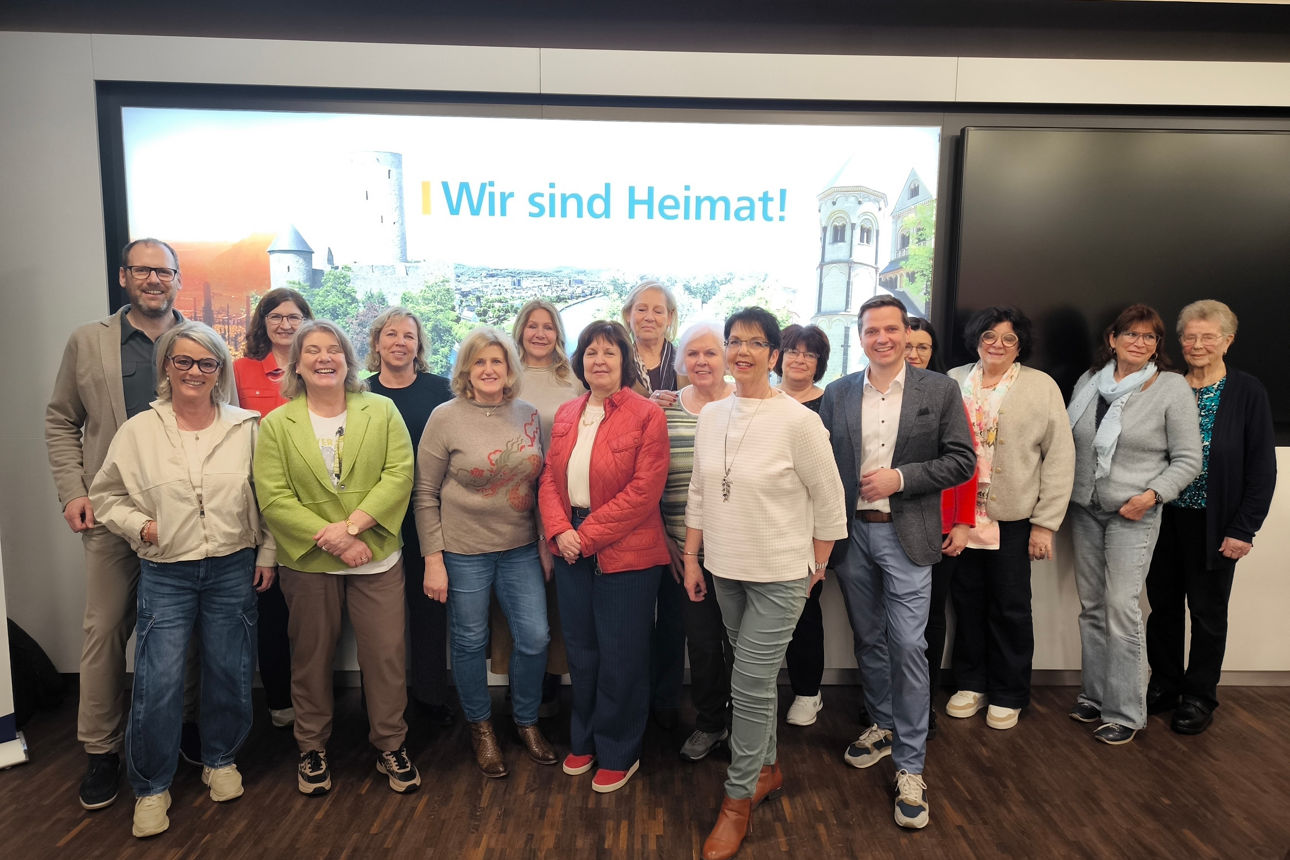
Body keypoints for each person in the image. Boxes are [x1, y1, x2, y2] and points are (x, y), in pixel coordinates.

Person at [89, 322, 276, 838]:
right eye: (183, 361)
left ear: (220, 371)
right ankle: (151, 786)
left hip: (232, 565)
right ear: (166, 367)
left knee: (229, 668)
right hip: (166, 570)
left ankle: (220, 758)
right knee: (159, 680)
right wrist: (141, 526)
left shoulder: (247, 426)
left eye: (206, 363)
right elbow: (106, 496)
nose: (194, 371)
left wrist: (269, 551)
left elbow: (268, 497)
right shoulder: (138, 431)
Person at [684, 308, 847, 860]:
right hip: (725, 565)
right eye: (734, 341)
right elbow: (702, 492)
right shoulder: (712, 415)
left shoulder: (800, 421)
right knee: (747, 675)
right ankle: (769, 768)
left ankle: (736, 801)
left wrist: (816, 568)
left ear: (774, 355)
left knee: (749, 683)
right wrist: (691, 556)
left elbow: (830, 504)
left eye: (755, 343)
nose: (742, 351)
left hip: (781, 573)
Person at [45, 238, 196, 810]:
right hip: (111, 512)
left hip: (181, 514)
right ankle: (101, 751)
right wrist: (72, 492)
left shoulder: (199, 341)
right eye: (144, 270)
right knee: (105, 629)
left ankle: (182, 732)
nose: (154, 280)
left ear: (178, 279)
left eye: (165, 271)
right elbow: (62, 420)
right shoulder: (89, 341)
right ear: (124, 276)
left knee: (186, 629)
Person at [820, 295, 975, 831]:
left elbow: (962, 460)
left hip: (908, 535)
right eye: (871, 330)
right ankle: (882, 725)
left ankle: (911, 765)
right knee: (868, 639)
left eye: (891, 330)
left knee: (909, 643)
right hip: (852, 536)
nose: (882, 338)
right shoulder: (838, 394)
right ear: (860, 335)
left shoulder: (940, 389)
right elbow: (823, 466)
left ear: (904, 335)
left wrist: (901, 478)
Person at [253, 320, 420, 795]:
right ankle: (311, 748)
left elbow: (399, 475)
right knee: (310, 657)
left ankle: (391, 744)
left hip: (378, 556)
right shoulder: (276, 424)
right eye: (313, 351)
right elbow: (274, 497)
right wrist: (336, 540)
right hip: (308, 563)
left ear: (348, 360)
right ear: (297, 364)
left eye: (334, 350)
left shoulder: (382, 410)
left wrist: (352, 528)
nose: (324, 358)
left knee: (385, 656)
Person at [414, 326, 555, 778]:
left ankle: (526, 720)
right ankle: (481, 727)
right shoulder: (445, 417)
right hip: (464, 550)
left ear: (509, 368)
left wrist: (544, 543)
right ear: (466, 370)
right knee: (471, 642)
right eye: (480, 362)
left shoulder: (530, 414)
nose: (489, 370)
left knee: (535, 638)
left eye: (497, 361)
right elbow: (424, 492)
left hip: (520, 549)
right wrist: (433, 558)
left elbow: (541, 485)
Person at [537, 320, 671, 794]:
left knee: (621, 656)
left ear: (624, 361)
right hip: (571, 543)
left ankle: (620, 750)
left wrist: (584, 534)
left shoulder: (646, 415)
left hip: (628, 552)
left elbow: (644, 490)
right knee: (583, 652)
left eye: (609, 353)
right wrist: (558, 530)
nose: (598, 360)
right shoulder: (569, 413)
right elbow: (550, 478)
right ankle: (585, 739)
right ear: (580, 361)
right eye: (590, 352)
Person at [1066, 303, 1201, 745]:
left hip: (1135, 513)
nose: (1139, 343)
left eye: (1149, 337)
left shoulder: (1172, 388)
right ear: (1113, 339)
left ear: (1157, 346)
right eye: (1131, 334)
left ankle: (1126, 710)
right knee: (1091, 606)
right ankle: (1095, 693)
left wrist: (1152, 496)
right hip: (1084, 509)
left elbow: (1188, 459)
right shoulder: (1089, 383)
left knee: (1121, 608)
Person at [1145, 300, 1276, 735]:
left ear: (1228, 341)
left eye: (1208, 336)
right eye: (1189, 336)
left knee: (1206, 612)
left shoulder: (1246, 391)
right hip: (1161, 517)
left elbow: (1261, 468)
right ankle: (1164, 684)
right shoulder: (1165, 385)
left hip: (1215, 522)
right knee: (1162, 607)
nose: (1197, 344)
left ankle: (1198, 696)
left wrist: (1244, 528)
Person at [943, 307, 1075, 731]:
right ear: (975, 339)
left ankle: (1009, 692)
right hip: (959, 516)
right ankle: (969, 683)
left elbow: (1059, 456)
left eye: (1008, 338)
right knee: (965, 603)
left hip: (1013, 516)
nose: (997, 344)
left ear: (1020, 345)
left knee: (1011, 607)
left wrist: (1045, 523)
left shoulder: (1041, 386)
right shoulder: (951, 379)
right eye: (989, 336)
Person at [486, 300, 585, 718]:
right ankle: (518, 687)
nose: (540, 333)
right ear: (520, 329)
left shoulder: (574, 379)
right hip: (512, 498)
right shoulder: (506, 376)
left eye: (548, 327)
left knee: (557, 596)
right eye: (532, 326)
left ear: (558, 333)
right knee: (518, 600)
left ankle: (549, 686)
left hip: (562, 497)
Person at [365, 308, 455, 727]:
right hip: (375, 519)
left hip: (431, 518)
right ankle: (384, 709)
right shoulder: (358, 394)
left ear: (419, 346)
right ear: (377, 342)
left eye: (409, 336)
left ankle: (432, 701)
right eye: (391, 334)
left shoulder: (442, 391)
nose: (400, 342)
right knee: (379, 624)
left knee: (429, 613)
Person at [233, 287, 314, 729]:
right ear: (262, 322)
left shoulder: (316, 369)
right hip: (259, 504)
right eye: (276, 316)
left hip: (314, 503)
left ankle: (312, 699)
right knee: (270, 611)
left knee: (310, 616)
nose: (285, 324)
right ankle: (280, 700)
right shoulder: (239, 370)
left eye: (294, 316)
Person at [660, 321, 734, 762]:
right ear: (680, 362)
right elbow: (650, 481)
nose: (701, 361)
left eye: (709, 353)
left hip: (739, 548)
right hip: (684, 551)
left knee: (742, 644)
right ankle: (709, 723)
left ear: (724, 356)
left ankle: (746, 729)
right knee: (703, 644)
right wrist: (669, 543)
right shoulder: (664, 409)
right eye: (692, 354)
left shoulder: (746, 404)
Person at [621, 280, 689, 730]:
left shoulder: (685, 361)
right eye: (641, 309)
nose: (649, 316)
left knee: (676, 611)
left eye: (658, 310)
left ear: (670, 318)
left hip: (680, 493)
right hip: (628, 495)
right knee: (633, 613)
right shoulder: (614, 358)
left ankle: (665, 703)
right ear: (628, 315)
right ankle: (634, 700)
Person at [904, 317, 974, 739]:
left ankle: (922, 705)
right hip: (885, 524)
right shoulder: (867, 392)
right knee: (885, 622)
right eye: (906, 344)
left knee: (928, 620)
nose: (913, 353)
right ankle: (884, 702)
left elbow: (967, 463)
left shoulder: (945, 393)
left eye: (922, 347)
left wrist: (963, 522)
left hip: (939, 526)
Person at [775, 324, 833, 728]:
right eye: (792, 350)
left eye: (809, 354)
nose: (799, 359)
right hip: (765, 524)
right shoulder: (758, 399)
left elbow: (832, 478)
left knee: (804, 612)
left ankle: (808, 693)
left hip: (810, 529)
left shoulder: (831, 404)